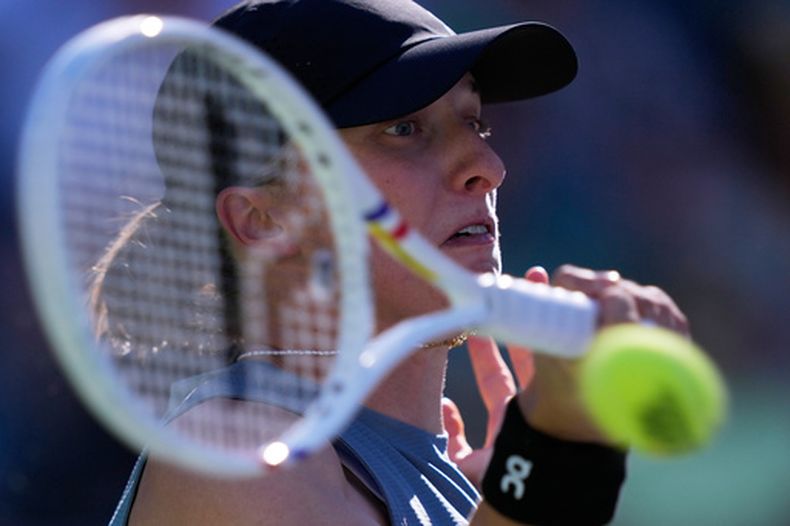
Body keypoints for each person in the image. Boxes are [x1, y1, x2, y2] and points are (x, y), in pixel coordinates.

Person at [106, 1, 691, 524]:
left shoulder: (455, 489)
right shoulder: (235, 452)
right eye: (404, 128)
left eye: (474, 120)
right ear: (263, 222)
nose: (487, 165)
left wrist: (501, 497)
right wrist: (552, 458)